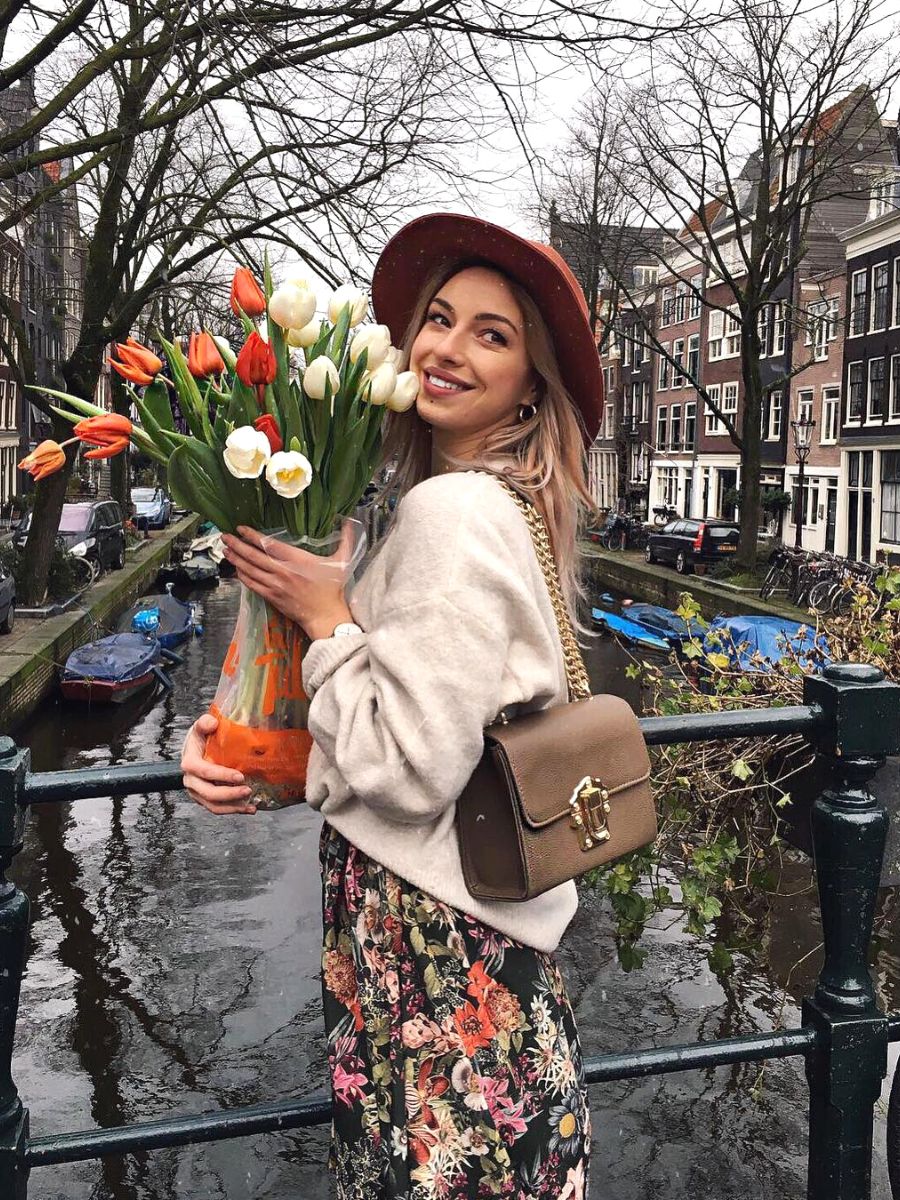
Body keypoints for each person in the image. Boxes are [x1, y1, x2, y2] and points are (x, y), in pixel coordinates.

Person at [181, 213, 604, 1200]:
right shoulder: (495, 503)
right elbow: (410, 720)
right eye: (441, 319)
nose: (448, 349)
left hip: (440, 966)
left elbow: (408, 772)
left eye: (492, 335)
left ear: (530, 379)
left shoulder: (451, 512)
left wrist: (329, 622)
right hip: (465, 950)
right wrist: (253, 750)